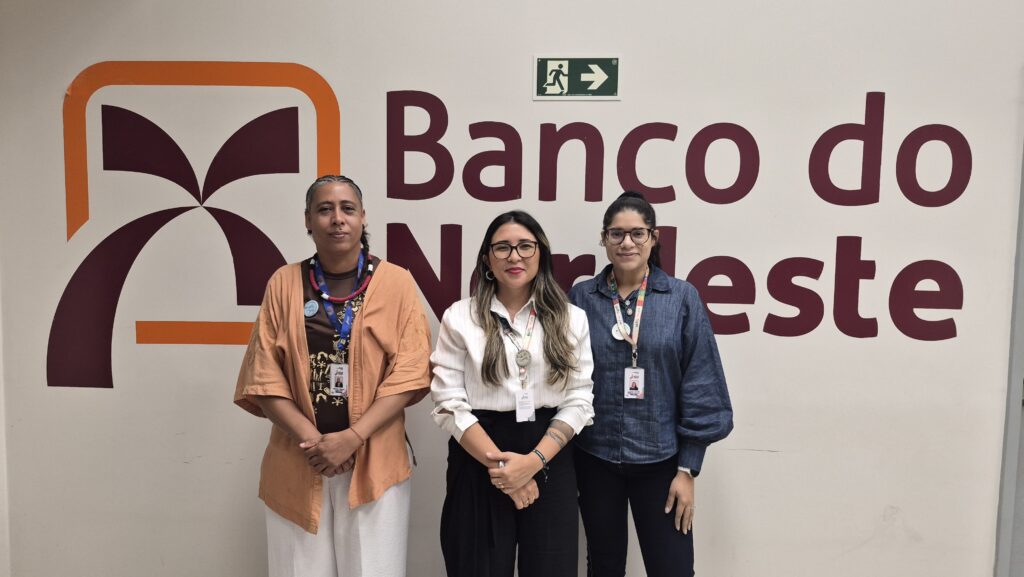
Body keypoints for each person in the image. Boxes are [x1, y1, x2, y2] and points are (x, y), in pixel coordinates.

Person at [233, 175, 432, 577]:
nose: (337, 218)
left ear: (363, 217)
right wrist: (315, 441)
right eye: (324, 209)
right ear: (308, 220)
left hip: (375, 461)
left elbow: (410, 374)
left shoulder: (396, 282)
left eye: (347, 208)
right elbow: (263, 376)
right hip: (299, 457)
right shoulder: (283, 283)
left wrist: (352, 437)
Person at [568, 191, 734, 577]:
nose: (626, 243)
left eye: (637, 233)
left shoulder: (681, 298)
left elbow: (701, 382)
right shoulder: (581, 298)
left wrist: (688, 469)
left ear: (653, 238)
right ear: (604, 239)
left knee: (672, 568)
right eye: (616, 234)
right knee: (603, 566)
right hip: (595, 458)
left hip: (662, 462)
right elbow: (565, 376)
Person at [430, 210, 595, 577]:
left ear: (541, 253)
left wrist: (533, 463)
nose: (514, 256)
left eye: (525, 246)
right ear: (487, 259)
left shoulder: (572, 319)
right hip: (479, 458)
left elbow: (579, 399)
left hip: (549, 457)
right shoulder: (460, 317)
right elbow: (448, 403)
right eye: (502, 247)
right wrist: (504, 470)